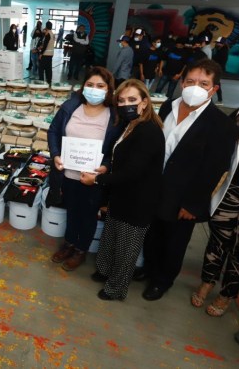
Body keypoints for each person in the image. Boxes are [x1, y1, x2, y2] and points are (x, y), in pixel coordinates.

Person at [142, 59, 239, 301]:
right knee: (152, 232)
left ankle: (163, 280)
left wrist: (193, 204)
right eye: (191, 81)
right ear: (182, 83)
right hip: (155, 186)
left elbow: (215, 169)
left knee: (174, 241)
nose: (196, 87)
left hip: (184, 197)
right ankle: (149, 269)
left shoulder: (222, 126)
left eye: (204, 83)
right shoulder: (168, 107)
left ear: (214, 89)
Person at [88, 80, 165, 300]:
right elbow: (120, 159)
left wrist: (97, 179)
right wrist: (107, 168)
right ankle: (104, 270)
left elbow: (133, 172)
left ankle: (115, 288)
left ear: (144, 102)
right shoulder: (130, 125)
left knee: (126, 248)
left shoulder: (149, 131)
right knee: (110, 236)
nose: (125, 104)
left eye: (132, 99)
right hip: (121, 194)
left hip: (138, 201)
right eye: (121, 101)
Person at [48, 66, 122, 271]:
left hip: (93, 178)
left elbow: (117, 148)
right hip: (68, 173)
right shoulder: (70, 107)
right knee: (72, 210)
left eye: (100, 86)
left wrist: (106, 166)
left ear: (108, 89)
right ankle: (69, 243)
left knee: (88, 215)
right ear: (83, 86)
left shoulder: (114, 116)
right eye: (90, 85)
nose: (94, 89)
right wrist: (55, 154)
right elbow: (53, 131)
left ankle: (81, 250)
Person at [190, 106, 239, 316]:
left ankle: (227, 294)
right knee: (218, 240)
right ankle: (207, 281)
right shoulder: (238, 113)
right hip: (230, 189)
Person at [212, 36, 229, 105]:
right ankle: (219, 100)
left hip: (218, 69)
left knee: (216, 83)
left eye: (219, 43)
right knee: (215, 83)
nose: (217, 44)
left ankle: (220, 100)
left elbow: (215, 59)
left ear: (223, 44)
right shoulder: (219, 50)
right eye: (217, 42)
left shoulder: (223, 51)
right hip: (217, 69)